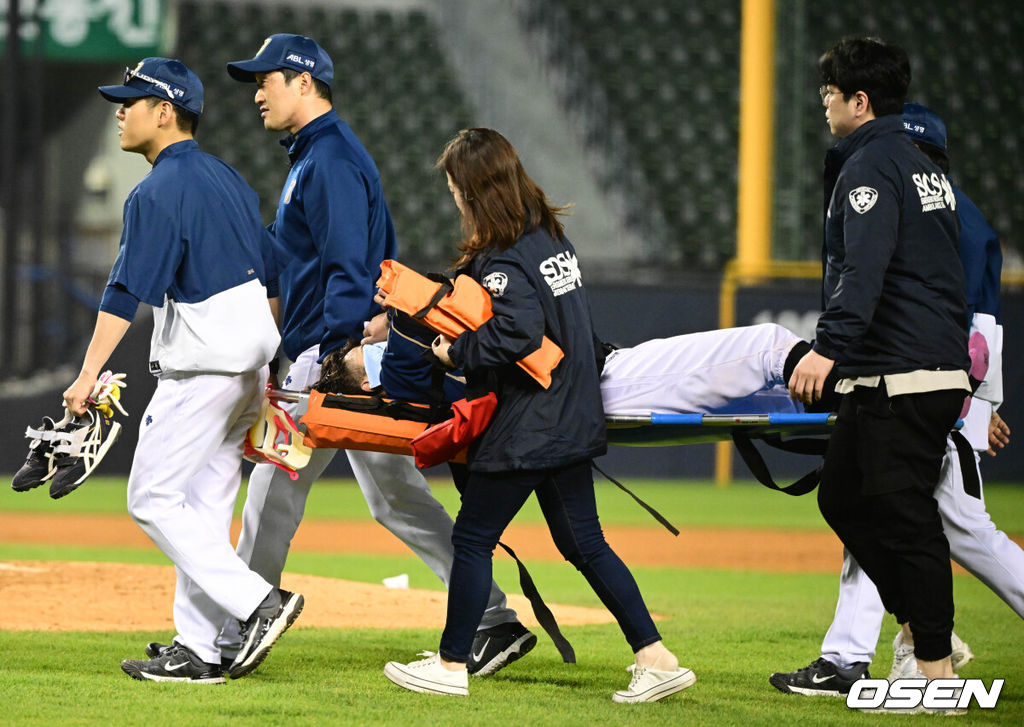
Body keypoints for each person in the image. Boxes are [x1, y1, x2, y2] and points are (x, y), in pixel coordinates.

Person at [216, 35, 534, 675]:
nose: (257, 92)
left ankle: (236, 628)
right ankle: (494, 619)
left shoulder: (328, 159)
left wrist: (333, 353)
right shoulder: (317, 155)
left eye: (267, 80)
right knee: (394, 497)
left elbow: (347, 266)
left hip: (328, 355)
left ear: (305, 83)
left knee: (272, 493)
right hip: (339, 344)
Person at [383, 128, 695, 703]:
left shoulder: (503, 257)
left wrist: (456, 353)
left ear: (472, 187)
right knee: (584, 544)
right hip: (572, 418)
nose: (452, 194)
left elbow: (517, 331)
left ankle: (451, 665)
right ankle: (656, 658)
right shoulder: (550, 241)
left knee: (473, 538)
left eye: (454, 184)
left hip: (530, 424)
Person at [63, 58, 303, 683]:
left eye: (131, 101)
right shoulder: (227, 179)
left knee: (149, 499)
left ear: (164, 112)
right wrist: (269, 364)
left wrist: (87, 375)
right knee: (200, 509)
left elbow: (124, 292)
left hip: (203, 369)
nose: (120, 110)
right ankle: (201, 648)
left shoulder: (158, 189)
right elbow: (274, 273)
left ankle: (258, 603)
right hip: (248, 367)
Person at [770, 102, 1020, 697]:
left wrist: (978, 403)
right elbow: (980, 316)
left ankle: (903, 651)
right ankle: (864, 651)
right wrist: (986, 397)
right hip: (933, 379)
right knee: (878, 507)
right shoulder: (950, 202)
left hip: (924, 382)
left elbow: (961, 313)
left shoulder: (920, 199)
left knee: (941, 524)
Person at [786, 38, 971, 705]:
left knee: (906, 515)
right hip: (899, 368)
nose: (825, 107)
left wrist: (828, 347)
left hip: (906, 372)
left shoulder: (870, 167)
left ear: (859, 102)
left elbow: (865, 270)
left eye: (830, 96)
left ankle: (936, 670)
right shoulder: (920, 164)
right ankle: (924, 625)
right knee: (840, 494)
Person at [334, 308, 818, 419]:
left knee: (767, 386)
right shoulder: (399, 365)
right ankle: (842, 389)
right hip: (601, 383)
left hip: (587, 379)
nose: (367, 339)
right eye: (364, 354)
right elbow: (403, 351)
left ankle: (841, 398)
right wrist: (391, 320)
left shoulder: (406, 366)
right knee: (768, 345)